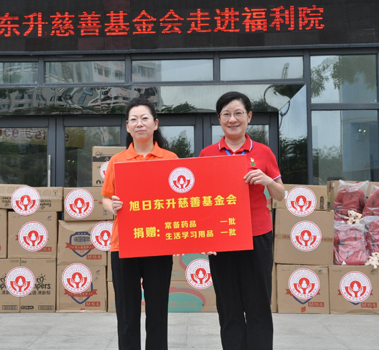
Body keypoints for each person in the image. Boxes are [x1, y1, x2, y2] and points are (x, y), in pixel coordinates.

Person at [198, 91, 284, 350]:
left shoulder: (263, 152)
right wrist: (204, 236)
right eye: (226, 114)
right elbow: (199, 200)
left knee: (258, 304)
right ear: (219, 119)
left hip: (257, 236)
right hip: (222, 240)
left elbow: (280, 194)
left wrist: (267, 180)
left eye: (238, 113)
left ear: (249, 117)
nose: (232, 119)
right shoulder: (207, 154)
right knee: (229, 305)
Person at [101, 97, 179, 350]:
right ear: (127, 126)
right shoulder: (117, 161)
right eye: (133, 119)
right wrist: (112, 206)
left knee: (158, 311)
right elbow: (106, 197)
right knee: (127, 312)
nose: (139, 123)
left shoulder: (170, 159)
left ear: (155, 124)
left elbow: (181, 202)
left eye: (145, 118)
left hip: (158, 245)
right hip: (124, 245)